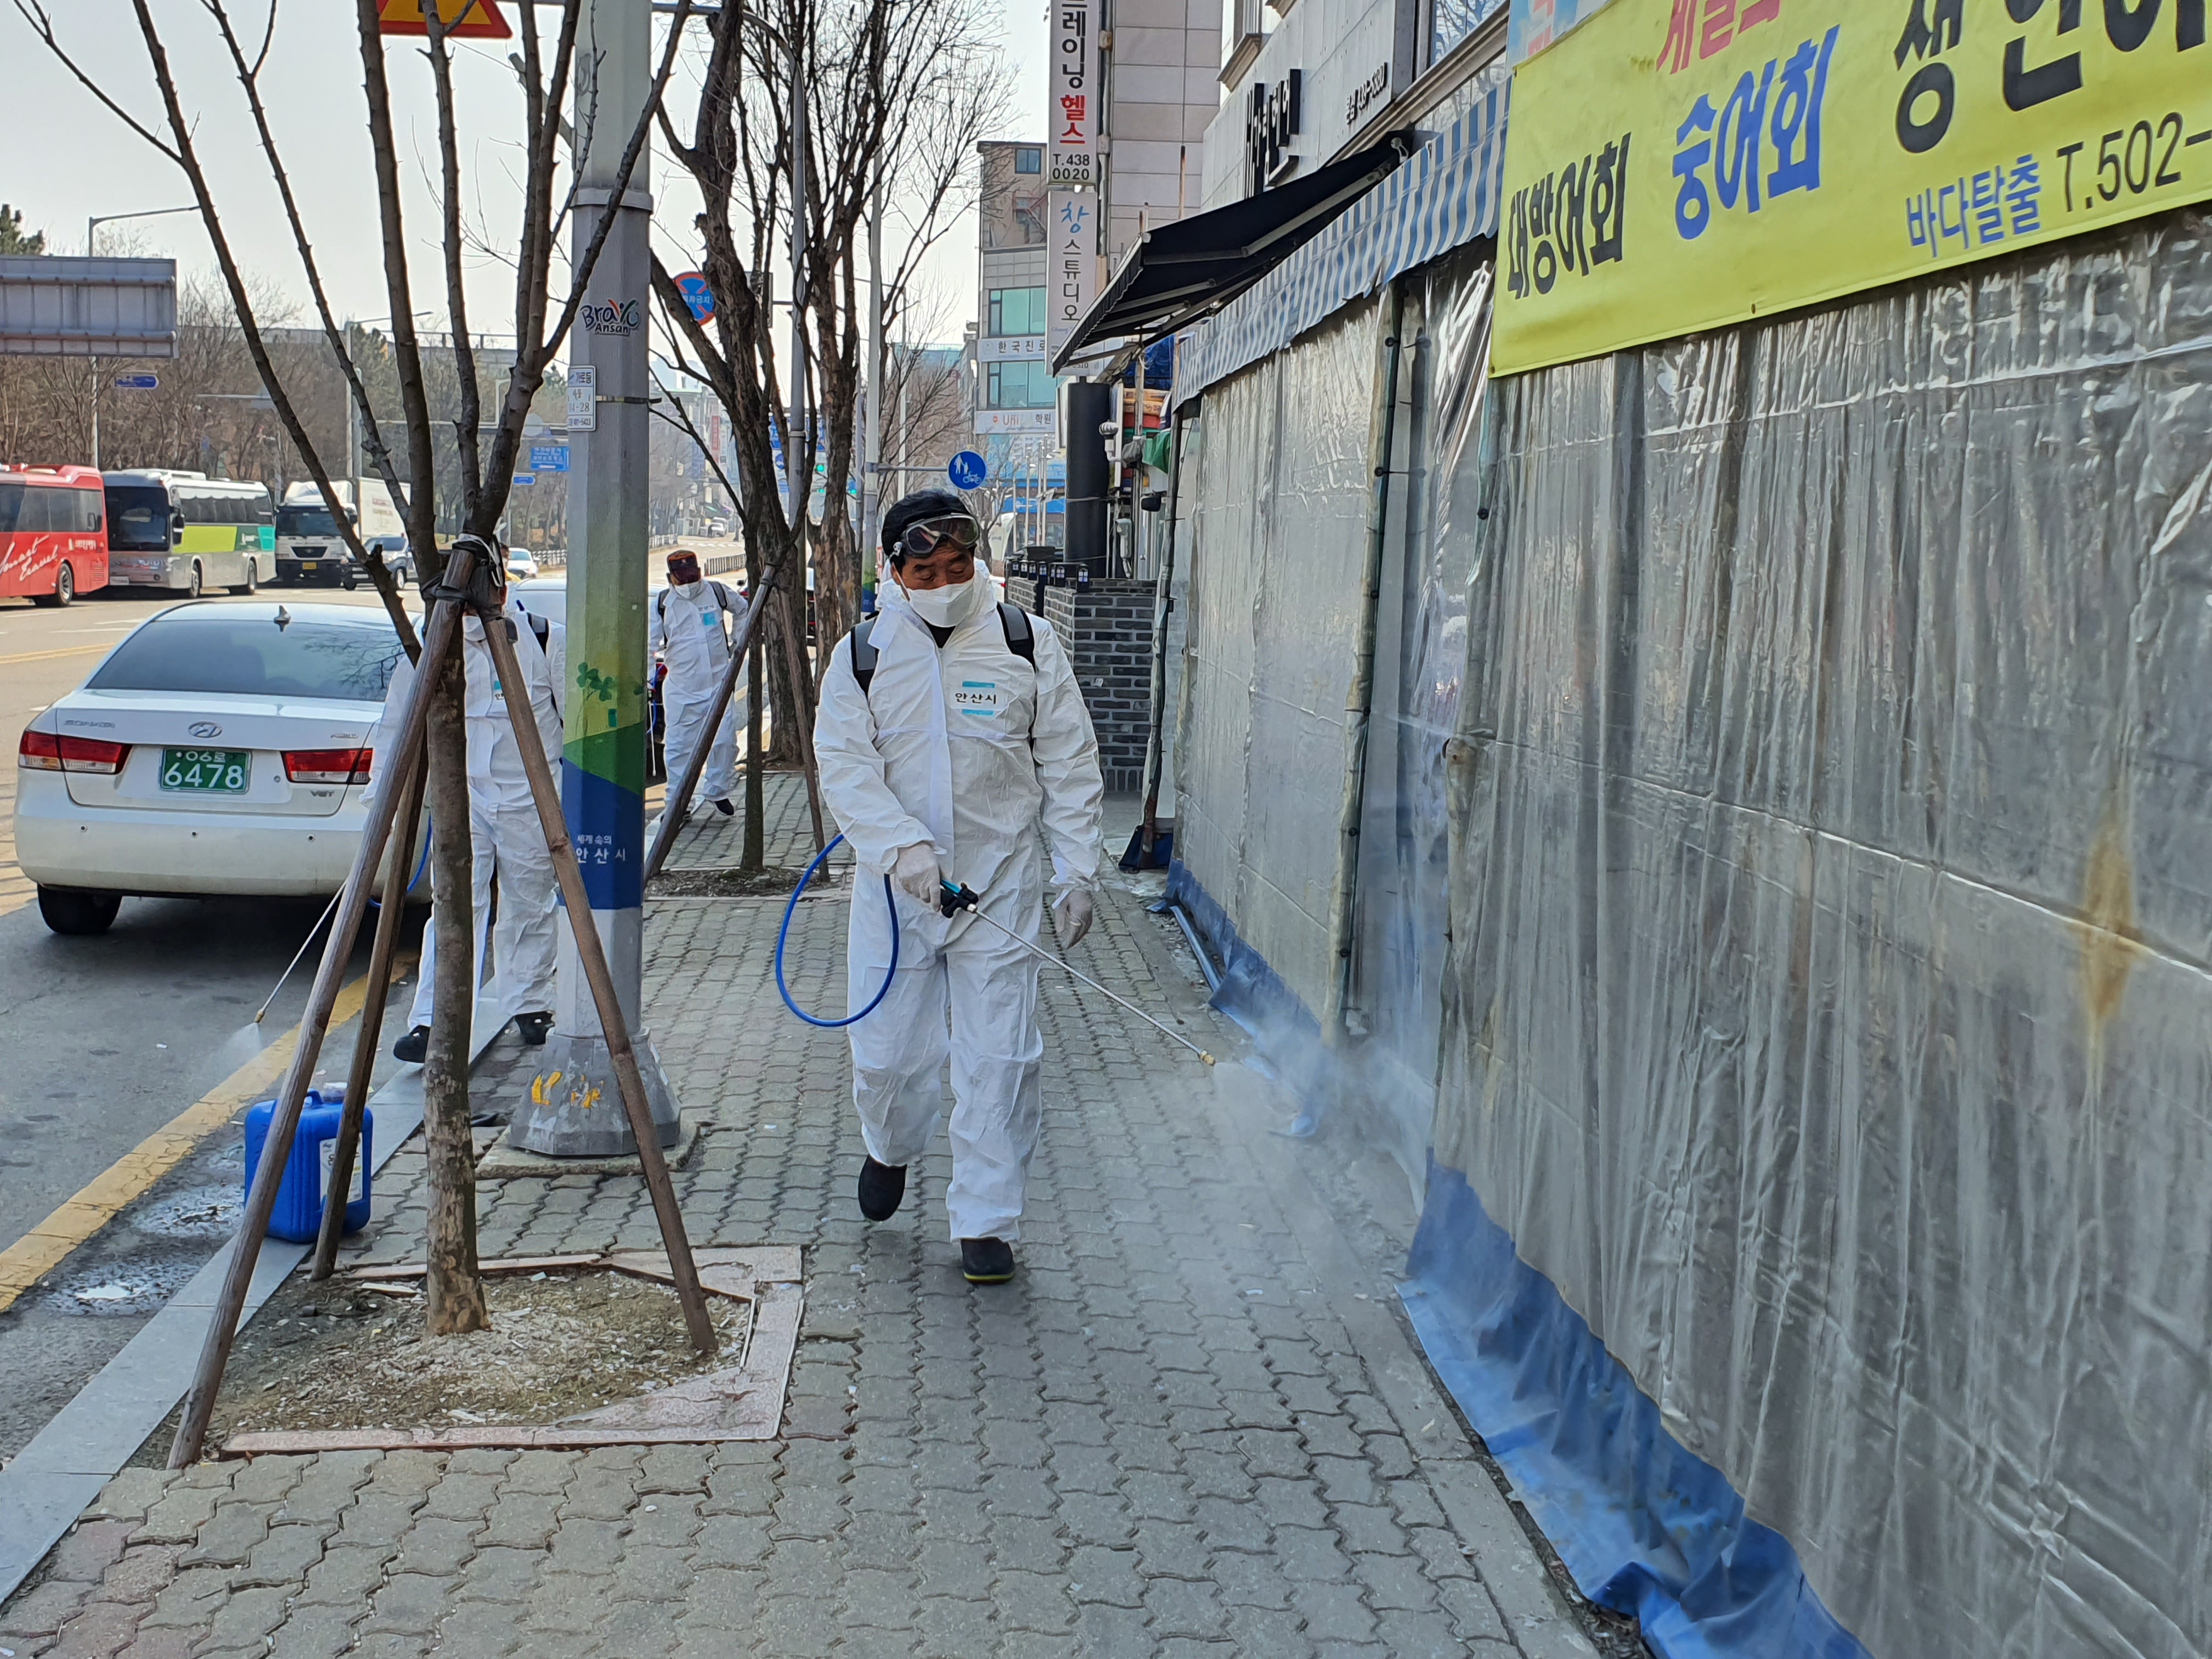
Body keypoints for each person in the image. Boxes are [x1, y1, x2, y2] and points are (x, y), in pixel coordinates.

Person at [814, 489, 1105, 1285]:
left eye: (958, 565)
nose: (946, 581)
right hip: (897, 895)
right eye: (926, 570)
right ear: (893, 571)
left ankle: (985, 1220)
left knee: (999, 1058)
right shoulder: (863, 655)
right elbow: (843, 763)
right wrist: (899, 845)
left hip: (998, 887)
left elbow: (1070, 761)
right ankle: (891, 1146)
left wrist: (1078, 870)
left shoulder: (1024, 641)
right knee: (888, 1058)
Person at [368, 538, 567, 1061]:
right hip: (465, 799)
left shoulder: (544, 644)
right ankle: (435, 1019)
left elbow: (577, 730)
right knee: (456, 905)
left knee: (528, 903)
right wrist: (379, 805)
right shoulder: (433, 651)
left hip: (533, 798)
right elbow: (396, 726)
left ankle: (529, 1004)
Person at [648, 548, 739, 817]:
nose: (689, 583)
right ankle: (678, 803)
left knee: (724, 742)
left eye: (693, 575)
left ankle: (717, 791)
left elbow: (743, 610)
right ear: (671, 578)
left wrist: (738, 642)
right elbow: (649, 643)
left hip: (718, 685)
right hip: (682, 689)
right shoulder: (663, 604)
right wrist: (645, 680)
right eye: (682, 578)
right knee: (678, 748)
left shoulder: (717, 592)